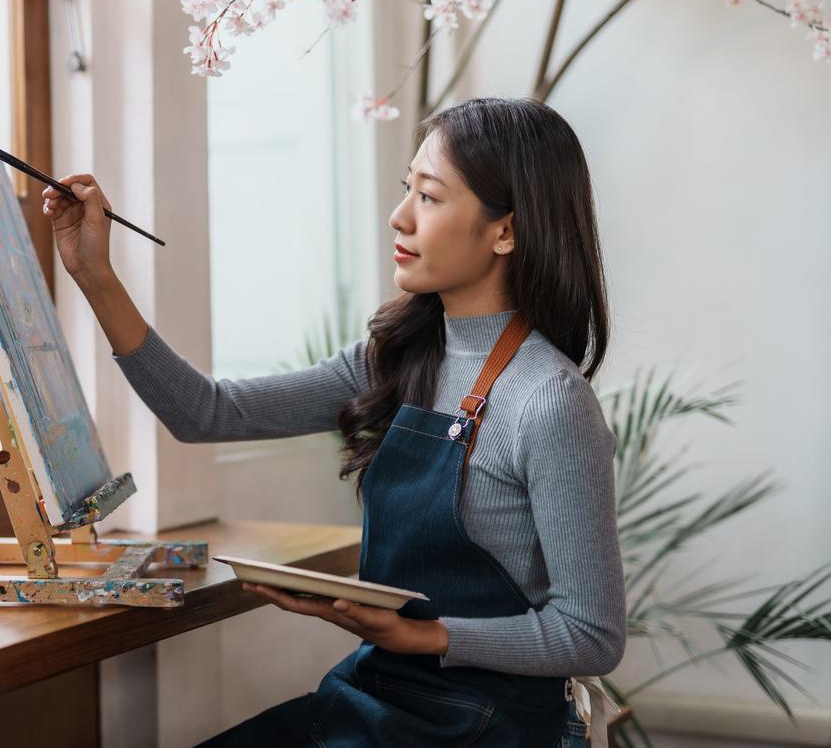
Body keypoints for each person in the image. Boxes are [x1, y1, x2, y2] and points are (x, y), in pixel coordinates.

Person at [40, 97, 625, 747]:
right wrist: (93, 274)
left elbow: (592, 636)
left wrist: (429, 635)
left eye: (429, 198)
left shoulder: (550, 401)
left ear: (505, 231)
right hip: (379, 695)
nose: (399, 215)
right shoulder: (397, 359)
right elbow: (204, 412)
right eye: (408, 189)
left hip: (488, 727)